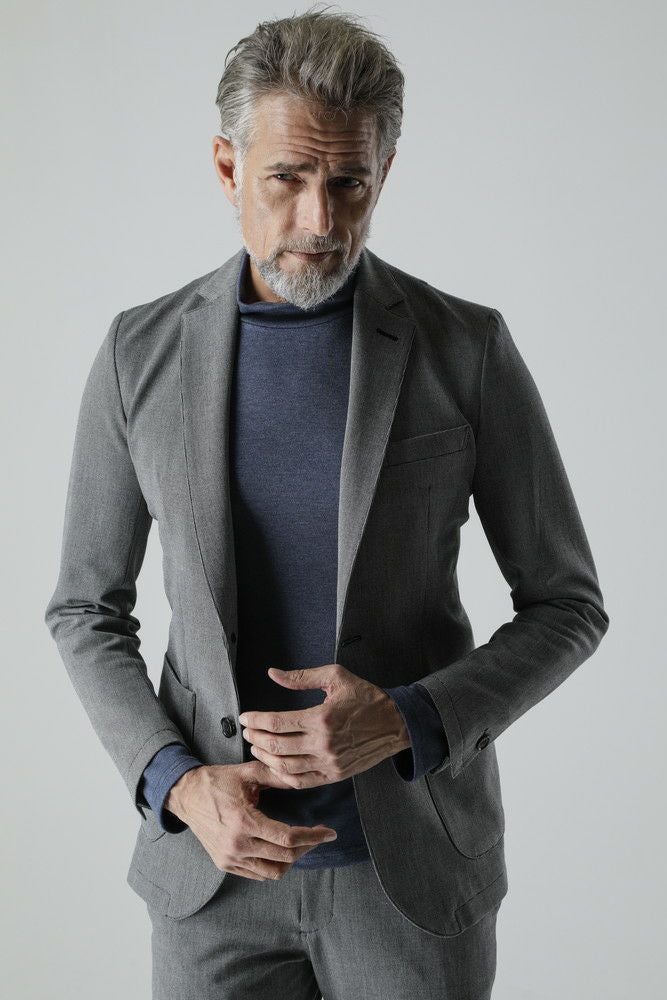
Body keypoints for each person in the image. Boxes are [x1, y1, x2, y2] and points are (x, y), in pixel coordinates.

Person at [44, 7, 609, 998]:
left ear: (383, 171)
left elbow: (567, 605)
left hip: (412, 875)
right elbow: (85, 608)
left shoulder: (465, 348)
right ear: (227, 167)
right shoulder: (139, 353)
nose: (319, 219)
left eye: (348, 182)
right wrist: (177, 782)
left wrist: (409, 718)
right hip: (211, 874)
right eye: (287, 178)